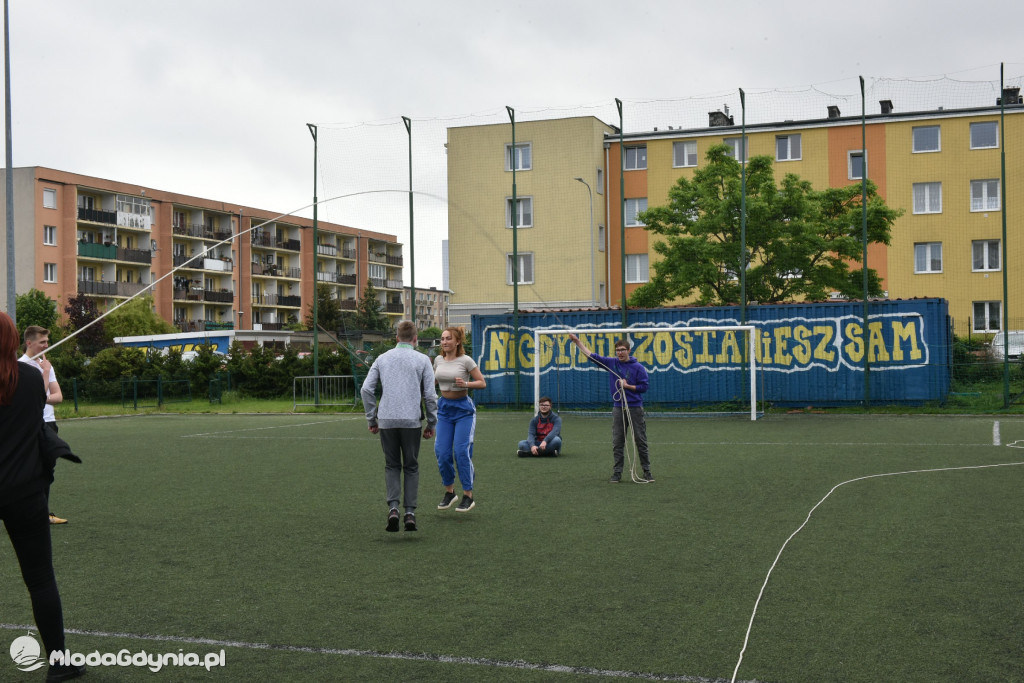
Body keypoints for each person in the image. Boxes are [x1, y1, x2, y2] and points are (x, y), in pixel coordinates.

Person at [0, 312, 85, 682]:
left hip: (21, 490)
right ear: (14, 340)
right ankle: (59, 664)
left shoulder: (32, 375)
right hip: (25, 492)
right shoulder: (33, 378)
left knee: (40, 579)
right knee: (40, 579)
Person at [361, 321, 438, 532]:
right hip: (411, 421)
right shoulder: (423, 360)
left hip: (386, 420)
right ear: (415, 339)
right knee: (411, 466)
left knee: (392, 465)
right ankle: (410, 513)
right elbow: (430, 396)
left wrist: (372, 419)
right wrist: (432, 423)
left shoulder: (382, 358)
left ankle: (393, 508)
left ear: (396, 338)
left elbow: (366, 390)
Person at [568, 333, 653, 483]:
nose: (620, 353)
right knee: (618, 440)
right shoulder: (612, 363)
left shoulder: (638, 367)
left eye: (622, 350)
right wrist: (577, 342)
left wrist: (627, 386)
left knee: (640, 439)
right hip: (618, 407)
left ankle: (646, 471)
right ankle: (617, 473)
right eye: (617, 350)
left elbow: (644, 387)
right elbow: (592, 356)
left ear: (629, 350)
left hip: (635, 408)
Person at [433, 326, 486, 512]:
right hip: (444, 410)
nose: (444, 342)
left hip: (463, 410)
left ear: (457, 342)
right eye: (442, 338)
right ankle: (450, 492)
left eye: (448, 338)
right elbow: (434, 381)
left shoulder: (466, 360)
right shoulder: (438, 360)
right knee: (442, 452)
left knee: (461, 451)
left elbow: (482, 382)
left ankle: (468, 495)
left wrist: (466, 384)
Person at [20, 325, 67, 525]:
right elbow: (39, 395)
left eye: (47, 342)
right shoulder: (20, 366)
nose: (46, 346)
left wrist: (41, 397)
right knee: (31, 470)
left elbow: (58, 397)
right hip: (30, 424)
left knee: (47, 469)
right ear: (29, 343)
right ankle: (31, 513)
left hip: (49, 423)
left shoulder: (47, 365)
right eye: (42, 342)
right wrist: (45, 376)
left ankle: (42, 513)